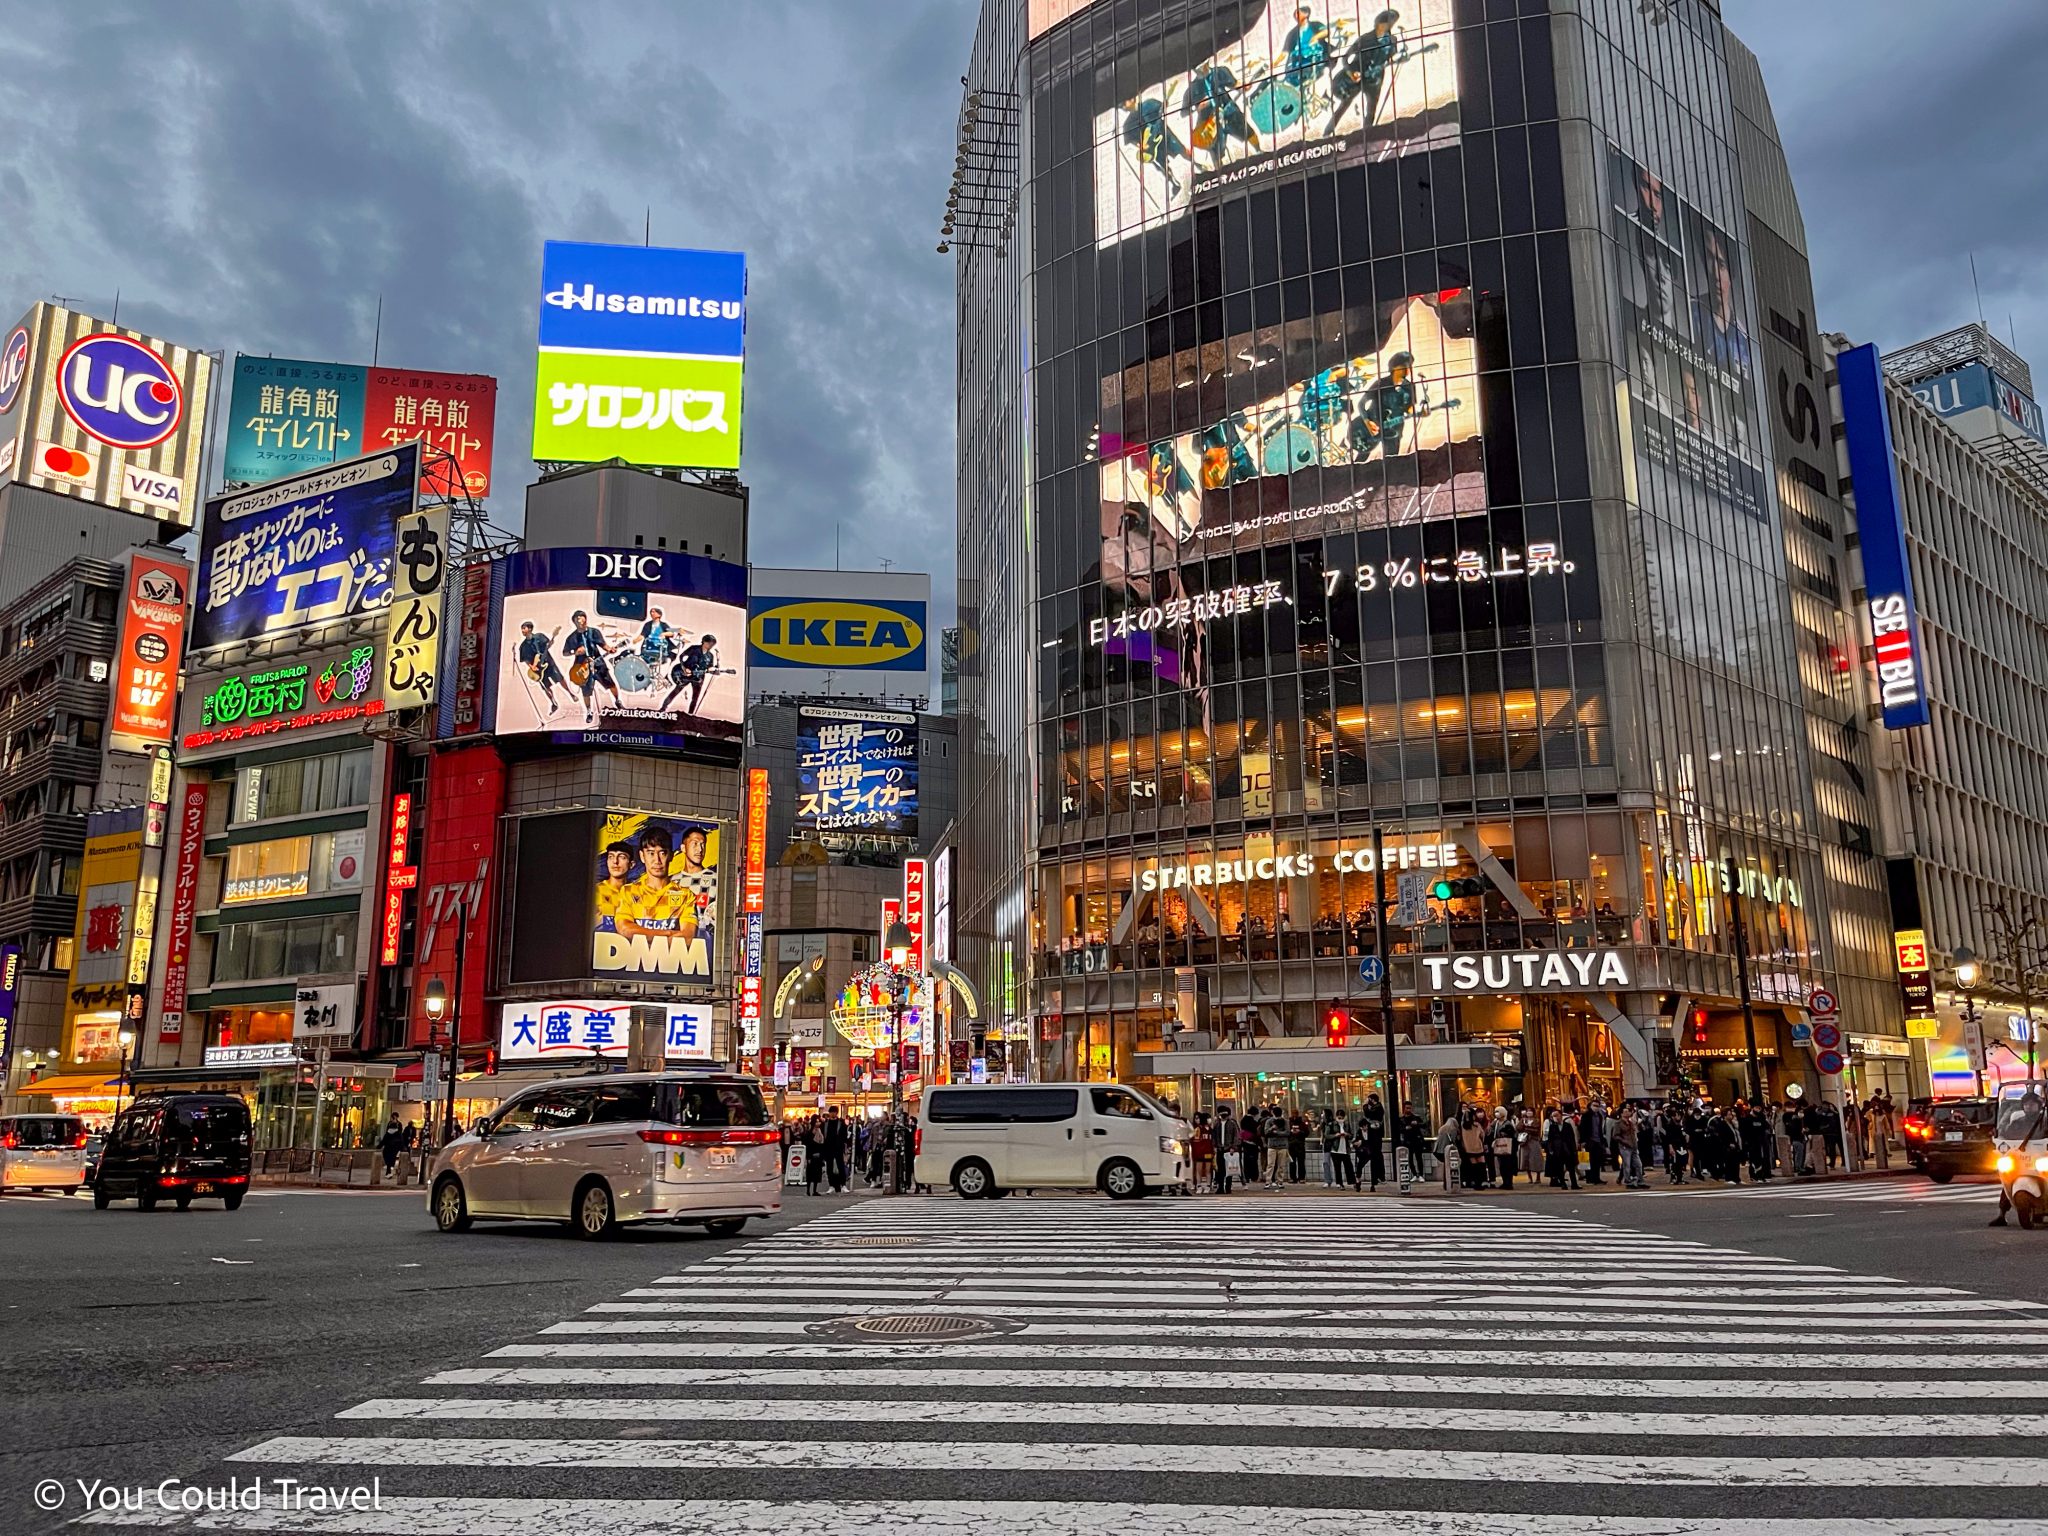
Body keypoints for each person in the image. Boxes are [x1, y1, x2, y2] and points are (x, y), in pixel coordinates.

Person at [1325, 8, 1402, 132]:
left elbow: (1391, 59)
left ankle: (1368, 135)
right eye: (1388, 23)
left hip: (1375, 79)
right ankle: (1327, 134)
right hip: (1357, 77)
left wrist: (1400, 58)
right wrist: (1351, 74)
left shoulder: (1392, 41)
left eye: (1392, 24)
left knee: (1371, 108)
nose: (1388, 27)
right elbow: (1345, 58)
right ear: (1379, 23)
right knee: (1345, 105)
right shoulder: (1365, 39)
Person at [561, 608, 624, 724]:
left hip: (598, 663)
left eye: (581, 618)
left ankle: (617, 701)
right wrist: (575, 652)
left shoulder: (594, 632)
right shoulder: (572, 638)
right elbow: (564, 652)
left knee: (610, 683)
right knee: (586, 691)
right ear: (574, 622)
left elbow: (603, 645)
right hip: (582, 666)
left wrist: (610, 649)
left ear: (585, 619)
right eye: (577, 619)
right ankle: (589, 711)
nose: (579, 621)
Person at [661, 633, 724, 715]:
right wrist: (684, 668)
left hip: (699, 678)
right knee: (676, 691)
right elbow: (682, 657)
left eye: (712, 644)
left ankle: (690, 714)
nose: (711, 646)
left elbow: (709, 668)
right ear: (704, 642)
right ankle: (663, 708)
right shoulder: (694, 649)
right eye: (709, 643)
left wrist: (715, 669)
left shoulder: (710, 656)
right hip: (684, 675)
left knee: (695, 697)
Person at [514, 620, 566, 715]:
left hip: (549, 664)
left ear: (529, 629)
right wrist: (532, 667)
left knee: (560, 679)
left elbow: (548, 645)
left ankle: (570, 693)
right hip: (538, 670)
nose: (522, 631)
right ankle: (553, 702)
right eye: (521, 629)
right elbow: (525, 659)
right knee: (546, 687)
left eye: (524, 628)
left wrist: (551, 641)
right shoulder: (523, 646)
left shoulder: (539, 637)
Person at [593, 840, 638, 934]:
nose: (615, 862)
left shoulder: (636, 892)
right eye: (611, 857)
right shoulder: (595, 892)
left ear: (631, 864)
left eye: (622, 857)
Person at [1361, 1093, 1388, 1190]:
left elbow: (1368, 1113)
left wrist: (1364, 1106)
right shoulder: (1378, 1107)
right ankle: (1376, 1177)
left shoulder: (1377, 1107)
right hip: (1374, 1135)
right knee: (1376, 1156)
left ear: (1372, 1100)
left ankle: (1378, 1176)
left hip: (1375, 1135)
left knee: (1376, 1155)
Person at [1615, 1105, 1645, 1189]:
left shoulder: (1631, 1123)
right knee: (1626, 1164)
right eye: (1625, 1111)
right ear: (1621, 1114)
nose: (1627, 1113)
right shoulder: (1618, 1123)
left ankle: (1640, 1180)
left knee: (1638, 1164)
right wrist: (1624, 1141)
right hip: (1625, 1147)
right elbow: (1616, 1135)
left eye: (1628, 1111)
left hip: (1634, 1146)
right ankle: (1628, 1181)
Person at [819, 1109, 849, 1193]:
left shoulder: (841, 1123)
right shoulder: (825, 1124)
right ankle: (831, 1185)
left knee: (841, 1166)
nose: (832, 1114)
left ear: (836, 1113)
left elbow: (844, 1135)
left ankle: (843, 1185)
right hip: (828, 1148)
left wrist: (843, 1145)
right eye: (831, 1112)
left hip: (838, 1148)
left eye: (834, 1112)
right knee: (829, 1167)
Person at [1579, 1099, 1608, 1185]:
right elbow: (1582, 1128)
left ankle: (1596, 1178)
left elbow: (1599, 1129)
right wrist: (1583, 1140)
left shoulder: (1599, 1116)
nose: (1596, 1107)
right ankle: (1589, 1178)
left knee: (1597, 1161)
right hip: (1589, 1141)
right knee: (1588, 1161)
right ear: (1590, 1106)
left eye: (1597, 1106)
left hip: (1598, 1140)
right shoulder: (1586, 1115)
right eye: (1594, 1105)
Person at [1286, 1111, 1309, 1184]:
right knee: (1293, 1162)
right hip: (1294, 1144)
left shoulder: (1301, 1123)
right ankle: (1295, 1178)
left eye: (1295, 1114)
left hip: (1298, 1144)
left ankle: (1300, 1177)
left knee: (1300, 1162)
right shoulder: (1289, 1123)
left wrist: (1299, 1132)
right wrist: (1291, 1132)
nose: (1294, 1115)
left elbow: (1306, 1133)